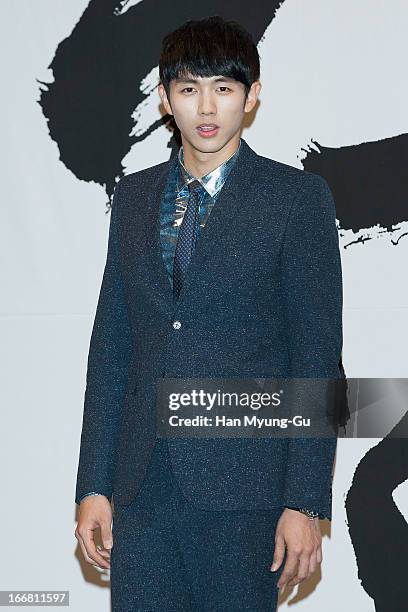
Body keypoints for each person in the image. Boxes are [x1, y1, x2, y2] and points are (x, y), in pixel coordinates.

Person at [74, 15, 343, 611]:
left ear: (252, 96)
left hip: (247, 492)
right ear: (166, 99)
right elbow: (113, 348)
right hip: (141, 489)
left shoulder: (296, 200)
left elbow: (316, 356)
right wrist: (94, 484)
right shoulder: (135, 199)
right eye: (190, 88)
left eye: (223, 88)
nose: (207, 107)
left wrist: (304, 500)